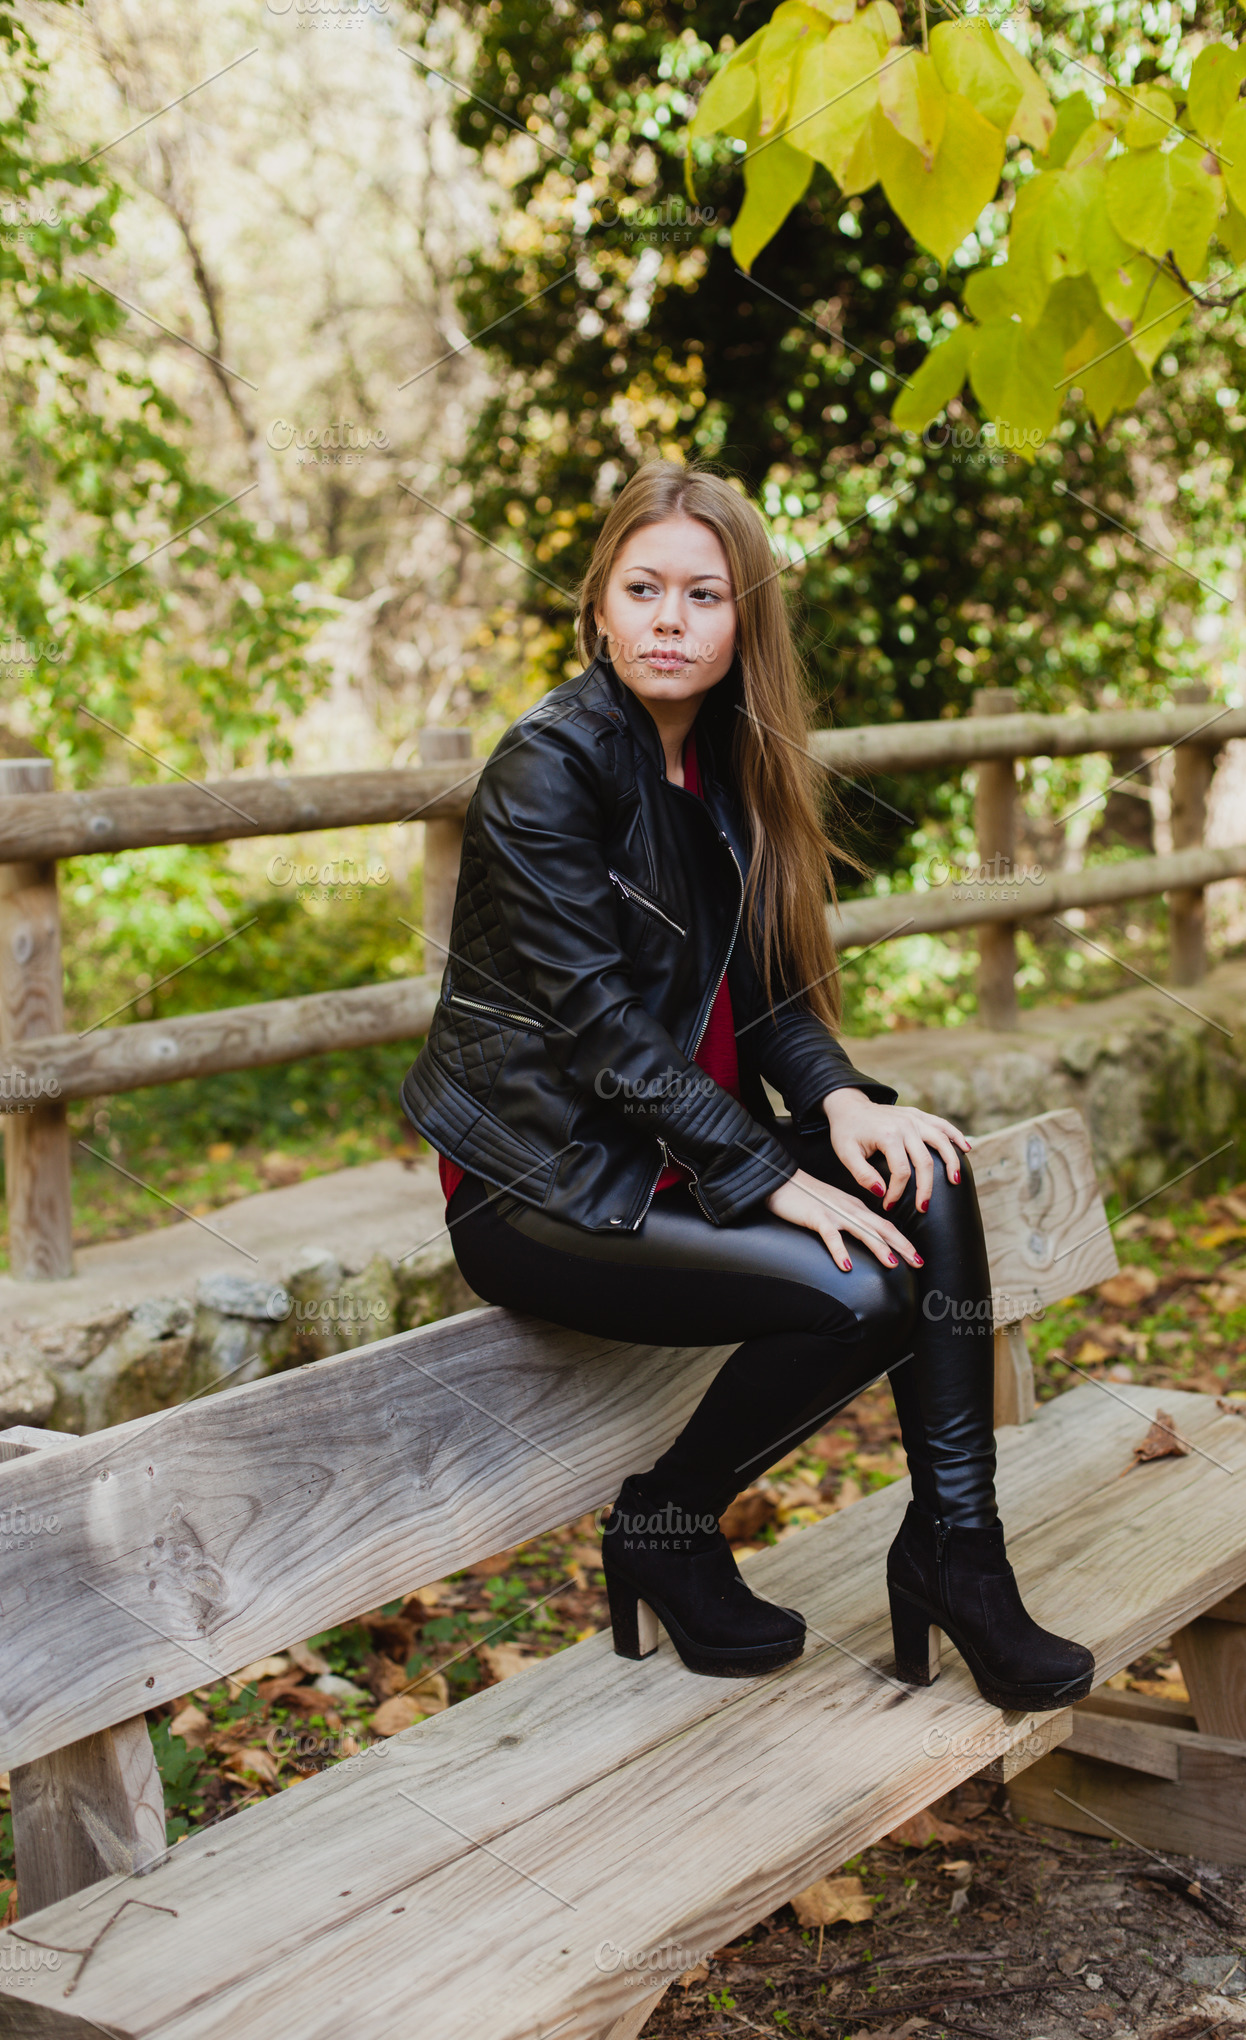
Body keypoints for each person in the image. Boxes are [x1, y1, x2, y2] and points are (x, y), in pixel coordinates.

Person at [401, 459, 1092, 1711]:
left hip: (674, 1151)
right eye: (644, 588)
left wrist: (838, 1106)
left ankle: (958, 1552)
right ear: (597, 609)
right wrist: (768, 1173)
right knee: (858, 1291)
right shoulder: (546, 771)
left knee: (922, 1171)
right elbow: (603, 1029)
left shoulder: (734, 771)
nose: (671, 619)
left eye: (703, 595)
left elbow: (770, 1001)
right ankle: (664, 1523)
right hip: (544, 1179)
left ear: (742, 621)